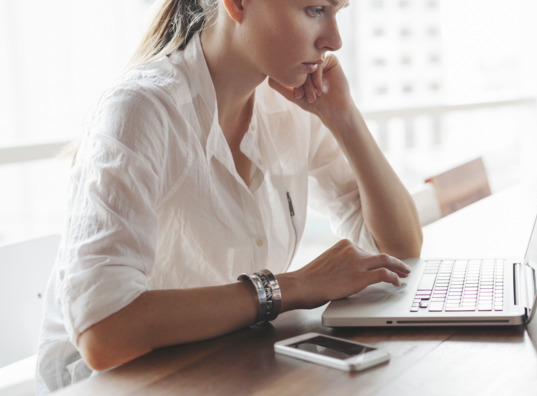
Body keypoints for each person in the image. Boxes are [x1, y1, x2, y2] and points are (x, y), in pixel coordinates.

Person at [35, 0, 423, 393]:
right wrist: (296, 286)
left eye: (337, 11)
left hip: (226, 364)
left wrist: (344, 117)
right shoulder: (141, 110)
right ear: (237, 4)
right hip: (117, 382)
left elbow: (399, 247)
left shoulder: (291, 104)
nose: (334, 40)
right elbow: (103, 331)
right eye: (313, 10)